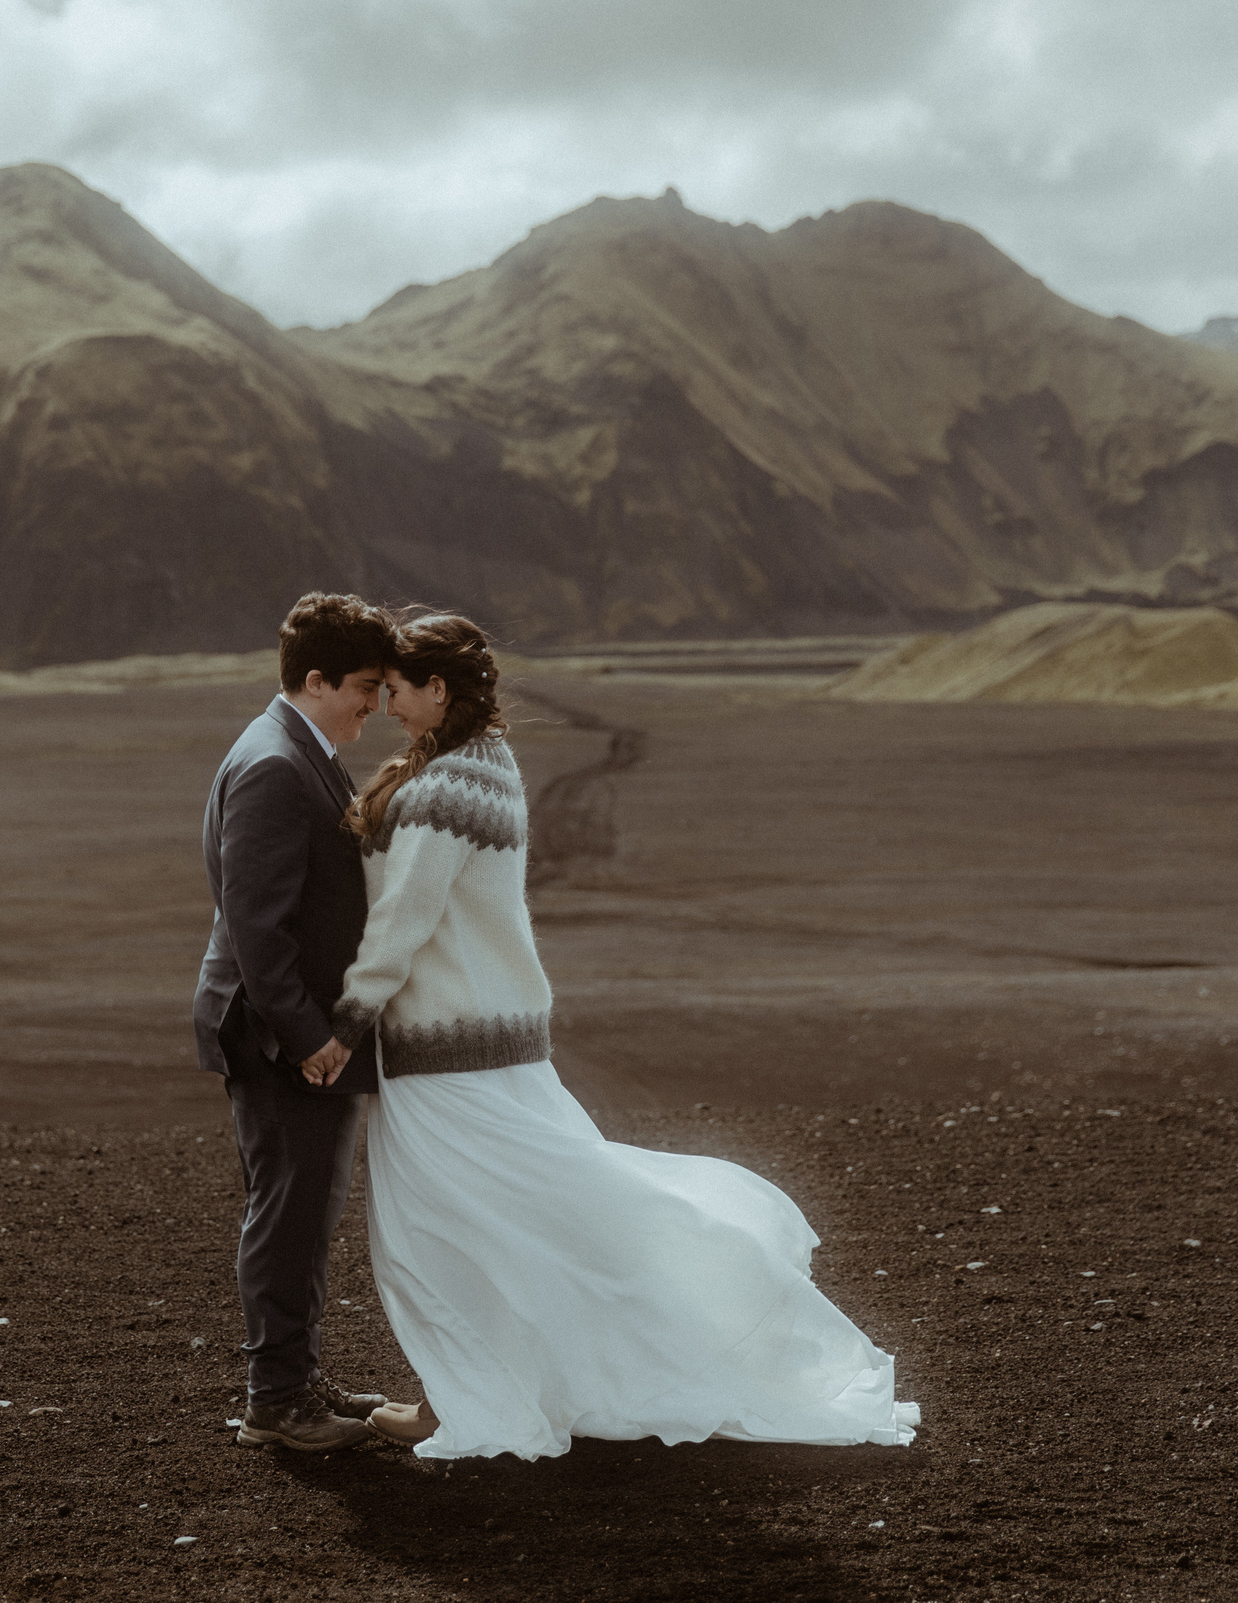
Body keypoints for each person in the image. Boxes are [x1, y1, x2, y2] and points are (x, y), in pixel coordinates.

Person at [321, 612, 922, 1460]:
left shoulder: (448, 786)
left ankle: (470, 1394)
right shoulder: (486, 763)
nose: (385, 704)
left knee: (437, 1232)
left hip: (445, 1053)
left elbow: (405, 920)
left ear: (439, 689)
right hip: (498, 1047)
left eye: (397, 688)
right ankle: (468, 1384)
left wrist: (348, 1020)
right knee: (518, 1220)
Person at [193, 591, 400, 1452]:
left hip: (291, 1031)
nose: (373, 704)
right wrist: (312, 1036)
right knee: (290, 1211)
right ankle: (276, 1401)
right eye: (362, 685)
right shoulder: (278, 765)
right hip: (282, 1039)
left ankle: (296, 1378)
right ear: (314, 679)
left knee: (304, 1206)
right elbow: (257, 927)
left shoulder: (298, 748)